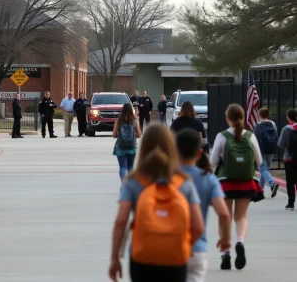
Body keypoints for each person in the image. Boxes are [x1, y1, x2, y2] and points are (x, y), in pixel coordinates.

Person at [109, 124, 204, 282]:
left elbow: (121, 221)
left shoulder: (133, 182)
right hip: (175, 257)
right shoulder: (183, 183)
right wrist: (183, 245)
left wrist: (115, 258)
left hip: (142, 255)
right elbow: (199, 226)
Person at [210, 104, 263, 271]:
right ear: (243, 117)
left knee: (224, 217)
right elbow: (259, 161)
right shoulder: (250, 136)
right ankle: (240, 241)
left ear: (227, 118)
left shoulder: (222, 136)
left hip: (225, 181)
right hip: (246, 182)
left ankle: (225, 253)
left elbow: (212, 161)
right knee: (241, 217)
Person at [176, 128, 231, 282]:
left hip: (169, 249)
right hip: (196, 249)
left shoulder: (167, 178)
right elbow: (224, 213)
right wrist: (225, 239)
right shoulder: (208, 179)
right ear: (199, 153)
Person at [112, 103, 141, 183]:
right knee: (130, 167)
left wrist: (120, 134)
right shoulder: (135, 121)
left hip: (120, 147)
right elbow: (139, 135)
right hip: (132, 147)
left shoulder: (118, 120)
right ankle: (131, 185)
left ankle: (123, 183)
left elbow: (114, 135)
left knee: (122, 167)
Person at [254, 107, 279, 197]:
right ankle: (260, 190)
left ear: (259, 115)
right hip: (271, 149)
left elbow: (254, 139)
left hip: (261, 150)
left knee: (263, 169)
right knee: (266, 169)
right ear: (268, 115)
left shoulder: (258, 125)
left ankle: (272, 183)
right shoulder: (273, 124)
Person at [278, 108, 297, 210]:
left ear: (288, 117)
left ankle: (291, 204)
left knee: (290, 182)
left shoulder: (286, 129)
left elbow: (281, 144)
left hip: (289, 158)